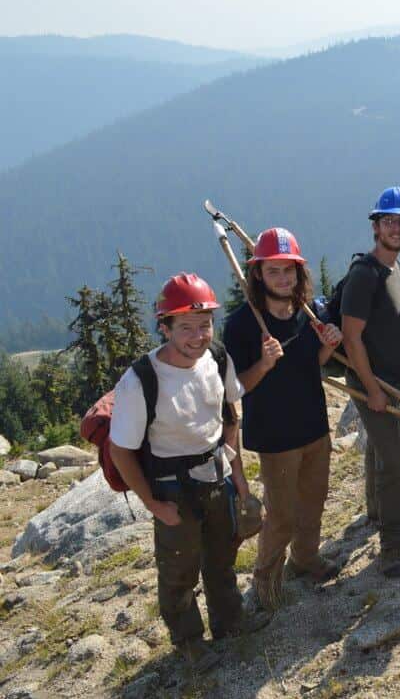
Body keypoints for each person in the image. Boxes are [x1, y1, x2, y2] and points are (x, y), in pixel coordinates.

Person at [108, 273, 268, 672]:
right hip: (170, 489)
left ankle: (230, 624)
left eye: (205, 324)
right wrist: (153, 506)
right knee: (179, 569)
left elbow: (230, 412)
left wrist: (239, 480)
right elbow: (121, 451)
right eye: (186, 327)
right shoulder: (140, 381)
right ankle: (190, 642)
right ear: (164, 328)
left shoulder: (216, 358)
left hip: (215, 478)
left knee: (221, 557)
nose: (198, 336)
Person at [223, 227, 344, 609]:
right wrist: (264, 363)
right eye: (273, 271)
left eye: (288, 270)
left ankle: (305, 558)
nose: (282, 278)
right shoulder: (243, 325)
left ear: (298, 272)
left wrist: (327, 347)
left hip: (313, 424)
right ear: (257, 274)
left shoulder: (311, 314)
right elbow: (235, 388)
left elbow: (314, 366)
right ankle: (266, 578)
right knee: (282, 514)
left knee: (314, 499)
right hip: (275, 436)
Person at [339, 187, 400, 578]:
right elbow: (351, 336)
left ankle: (377, 509)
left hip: (393, 378)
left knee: (387, 445)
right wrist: (371, 389)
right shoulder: (363, 275)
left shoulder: (397, 269)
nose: (396, 228)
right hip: (370, 380)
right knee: (392, 459)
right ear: (376, 226)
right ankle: (393, 542)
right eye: (389, 221)